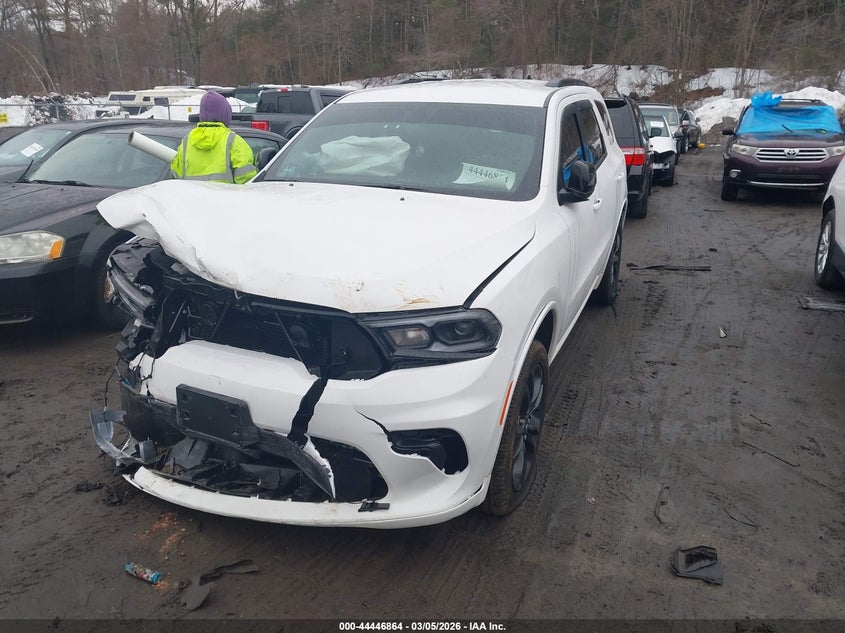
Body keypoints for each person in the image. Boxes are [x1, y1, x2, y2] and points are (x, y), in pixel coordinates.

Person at [170, 91, 257, 184]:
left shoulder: (187, 141)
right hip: (225, 197)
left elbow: (176, 176)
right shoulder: (233, 141)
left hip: (193, 197)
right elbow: (246, 178)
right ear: (225, 114)